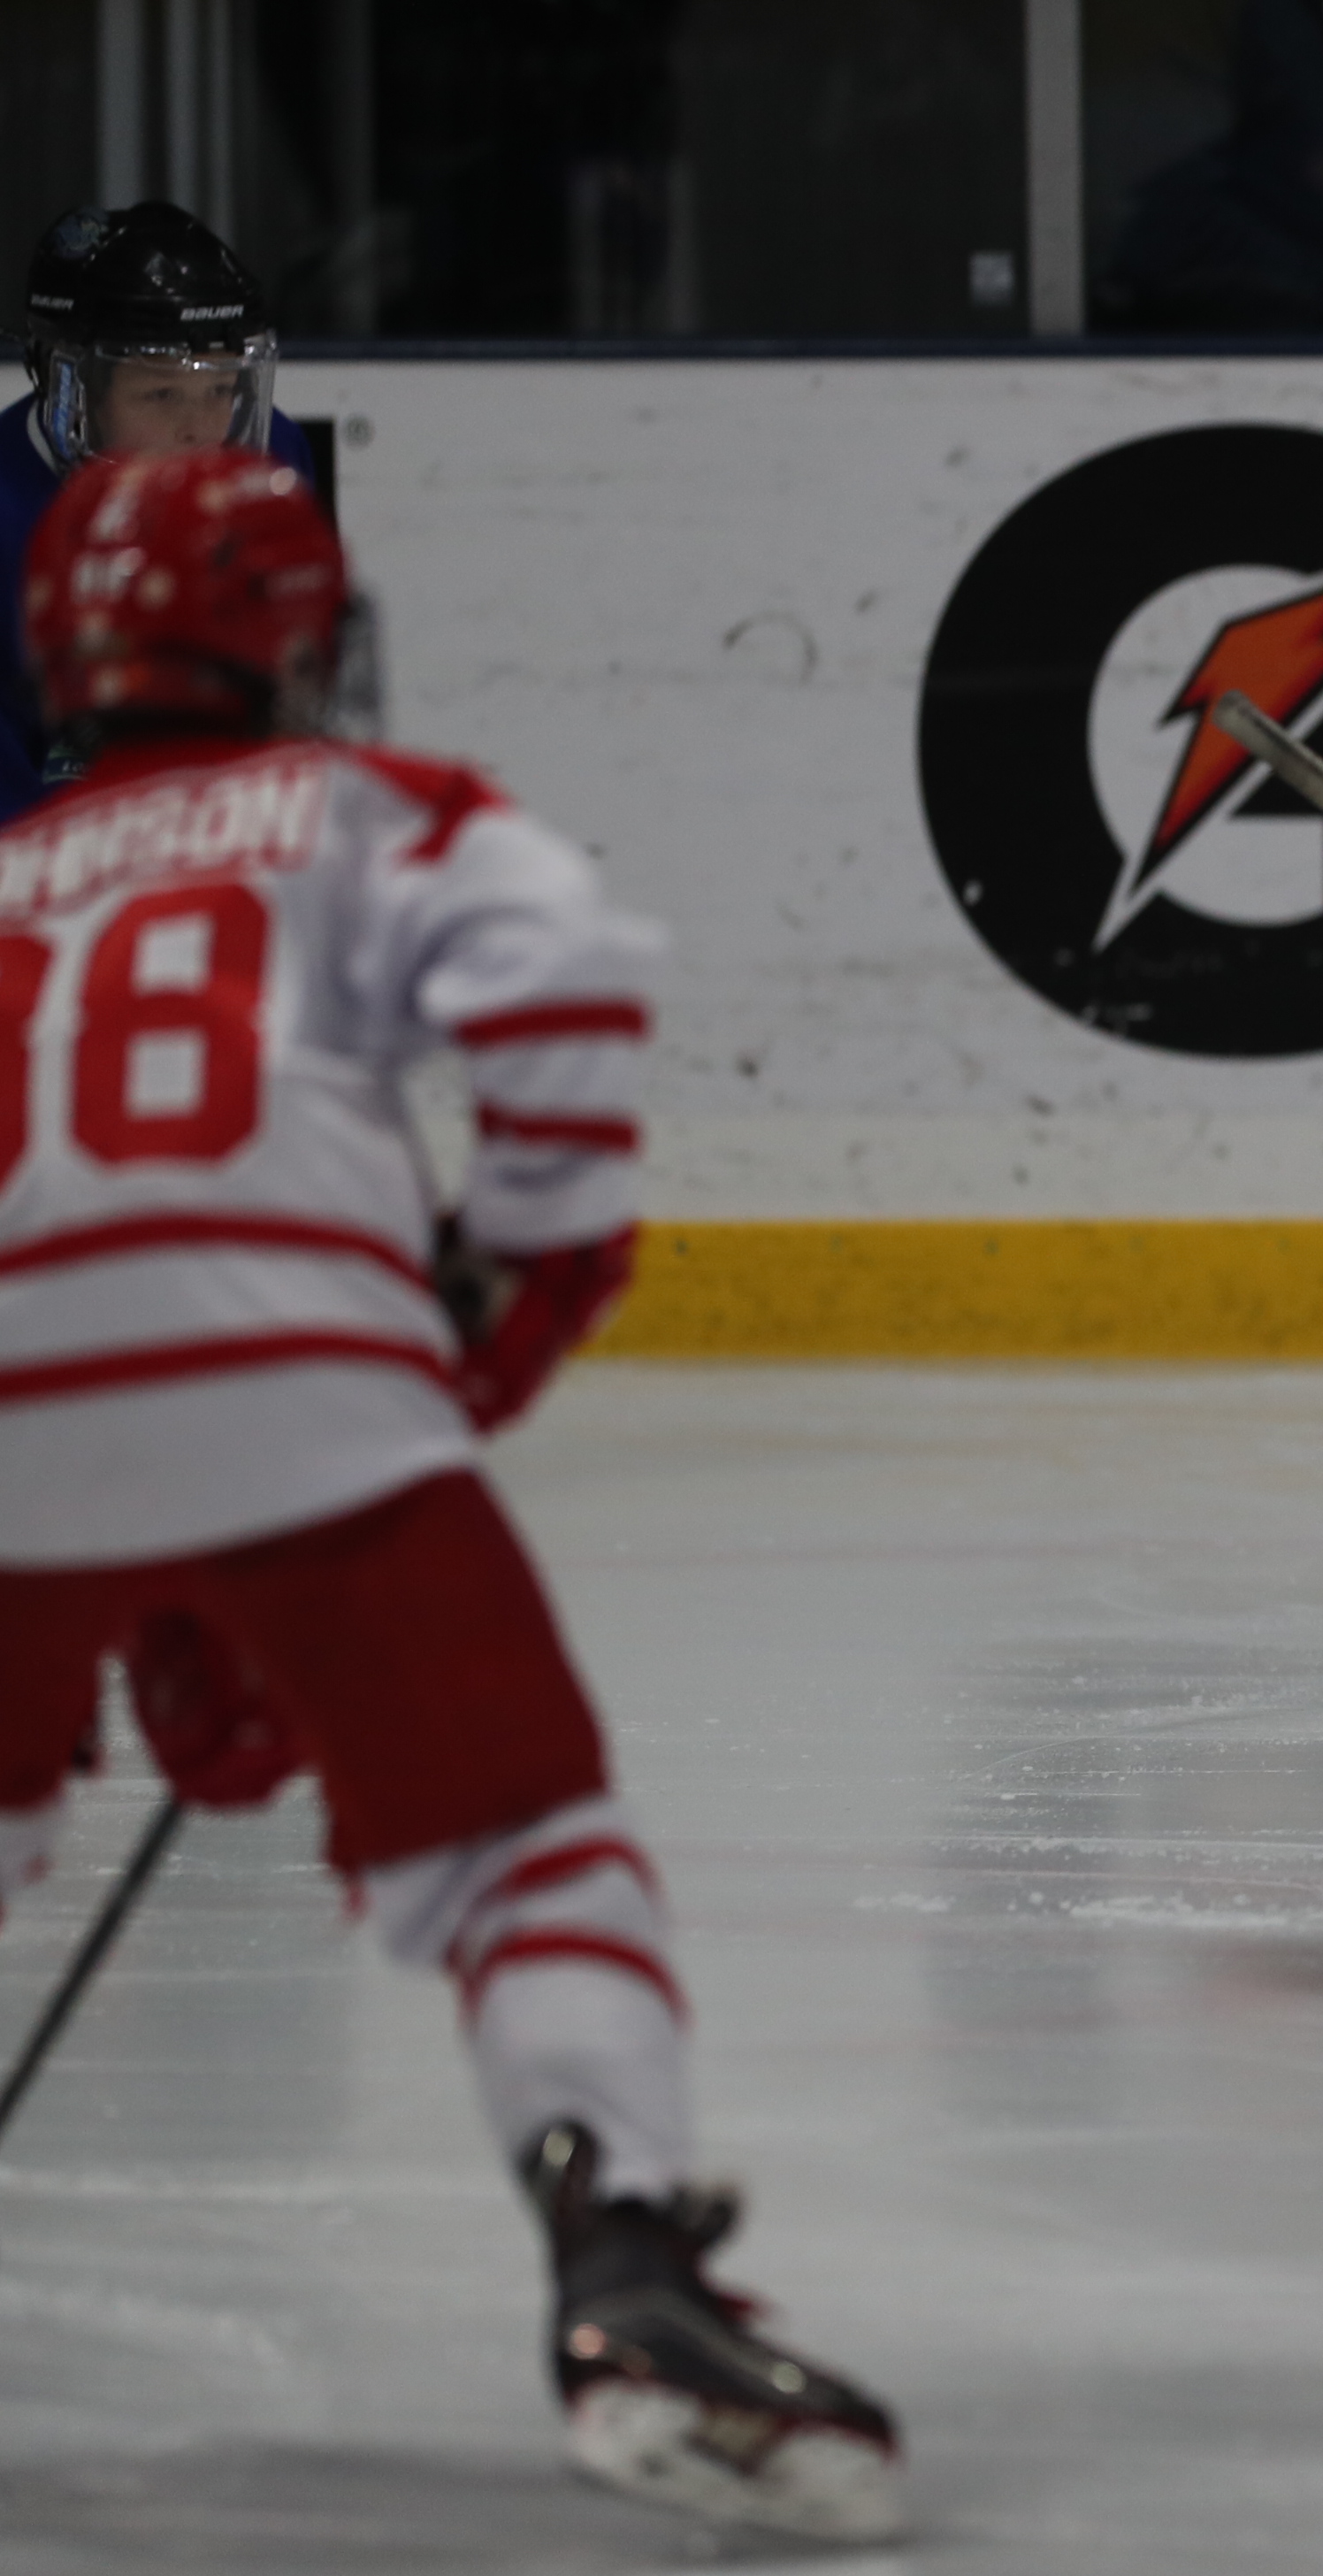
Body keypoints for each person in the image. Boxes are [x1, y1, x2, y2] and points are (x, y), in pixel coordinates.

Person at [0, 449, 900, 2537]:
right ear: (291, 644)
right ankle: (627, 2275)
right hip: (300, 1384)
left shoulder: (11, 873)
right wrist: (516, 1263)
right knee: (523, 1848)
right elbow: (560, 973)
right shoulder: (365, 814)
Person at [5, 202, 322, 824]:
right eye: (161, 394)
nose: (199, 431)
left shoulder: (271, 459)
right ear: (72, 389)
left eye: (220, 390)